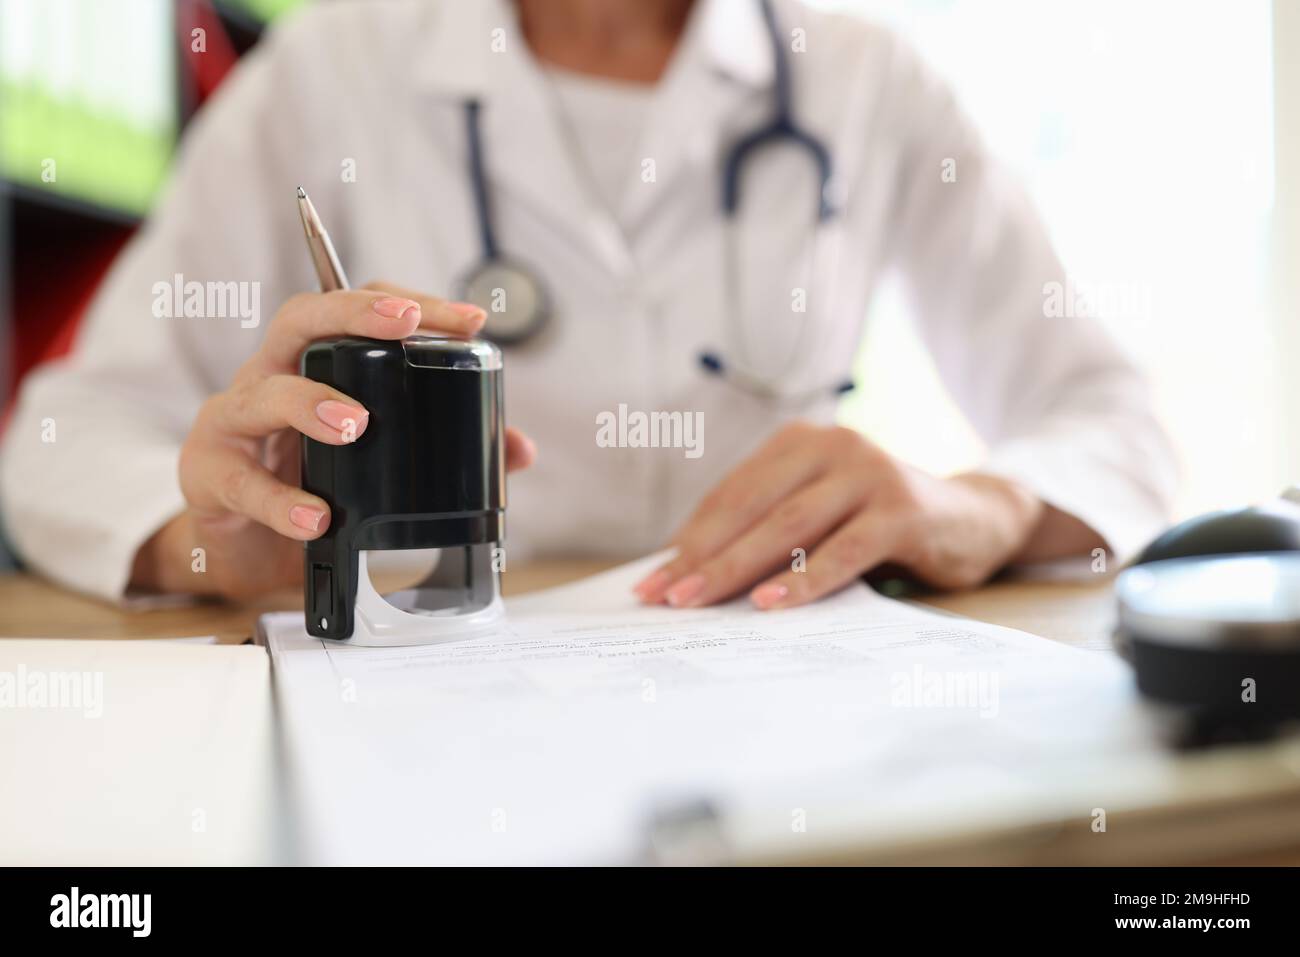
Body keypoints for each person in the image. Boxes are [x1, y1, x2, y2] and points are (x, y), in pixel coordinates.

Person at [0, 0, 1176, 610]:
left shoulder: (868, 79)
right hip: (432, 696)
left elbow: (1113, 418)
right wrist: (219, 539)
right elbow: (63, 438)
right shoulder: (325, 74)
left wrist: (980, 504)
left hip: (777, 665)